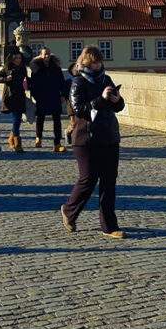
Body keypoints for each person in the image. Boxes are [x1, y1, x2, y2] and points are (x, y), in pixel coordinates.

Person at [61, 46, 126, 239]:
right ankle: (69, 210)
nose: (97, 66)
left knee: (109, 181)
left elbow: (119, 106)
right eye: (94, 63)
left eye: (99, 62)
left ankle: (109, 226)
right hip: (86, 138)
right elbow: (79, 109)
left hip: (109, 135)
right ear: (85, 63)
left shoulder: (106, 79)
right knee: (88, 179)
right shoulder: (78, 82)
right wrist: (101, 99)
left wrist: (117, 99)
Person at [29, 48, 66, 152]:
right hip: (42, 96)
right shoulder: (36, 68)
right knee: (40, 118)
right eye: (45, 54)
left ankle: (57, 143)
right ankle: (38, 138)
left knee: (57, 120)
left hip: (54, 96)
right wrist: (35, 96)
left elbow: (61, 82)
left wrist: (63, 94)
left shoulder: (56, 68)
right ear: (41, 55)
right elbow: (33, 84)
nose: (47, 56)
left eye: (48, 54)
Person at [0, 52, 28, 152]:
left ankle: (11, 139)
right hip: (10, 96)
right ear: (12, 59)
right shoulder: (8, 67)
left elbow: (26, 79)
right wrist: (6, 79)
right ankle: (17, 143)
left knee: (17, 120)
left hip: (20, 96)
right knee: (16, 119)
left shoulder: (23, 68)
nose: (18, 60)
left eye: (20, 58)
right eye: (16, 58)